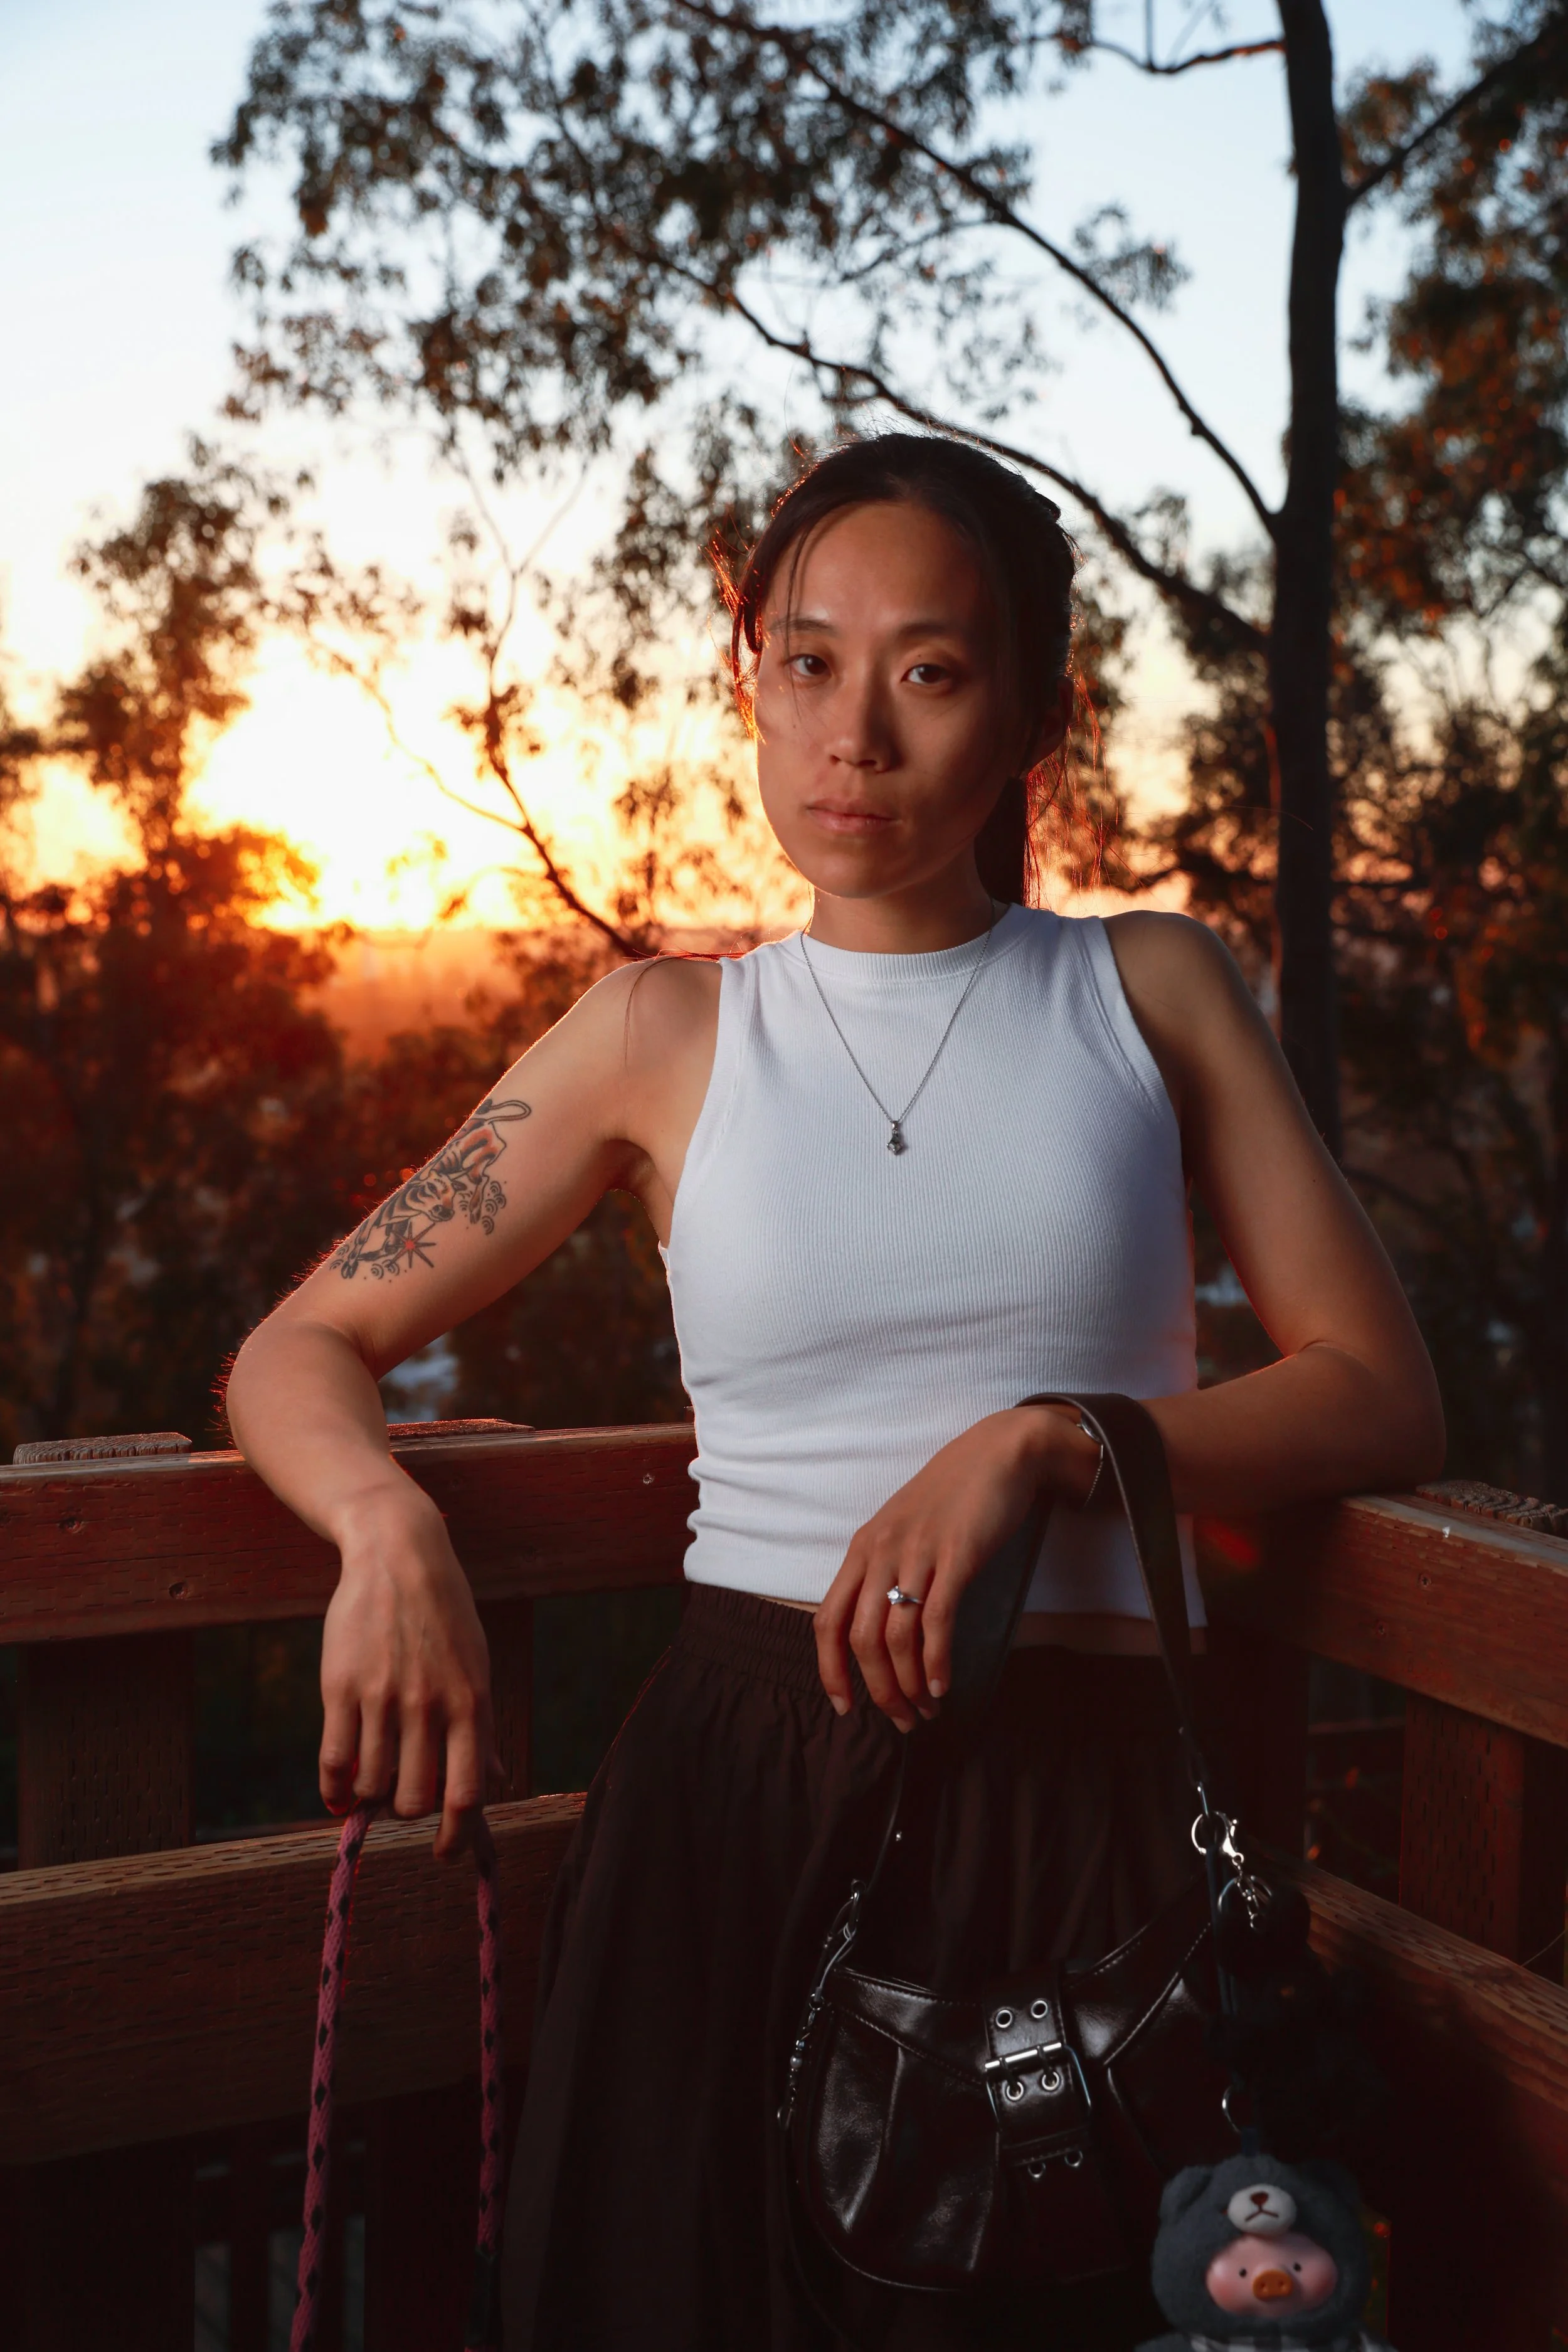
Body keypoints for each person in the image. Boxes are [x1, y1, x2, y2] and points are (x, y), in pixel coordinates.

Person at [225, 435, 1444, 2350]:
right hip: (735, 1805)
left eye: (928, 670)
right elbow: (297, 1344)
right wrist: (383, 1520)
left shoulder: (1146, 988)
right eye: (804, 661)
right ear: (751, 682)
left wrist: (1047, 1446)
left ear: (1039, 712)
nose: (850, 733)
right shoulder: (660, 1028)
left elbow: (1378, 1391)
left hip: (1085, 1818)